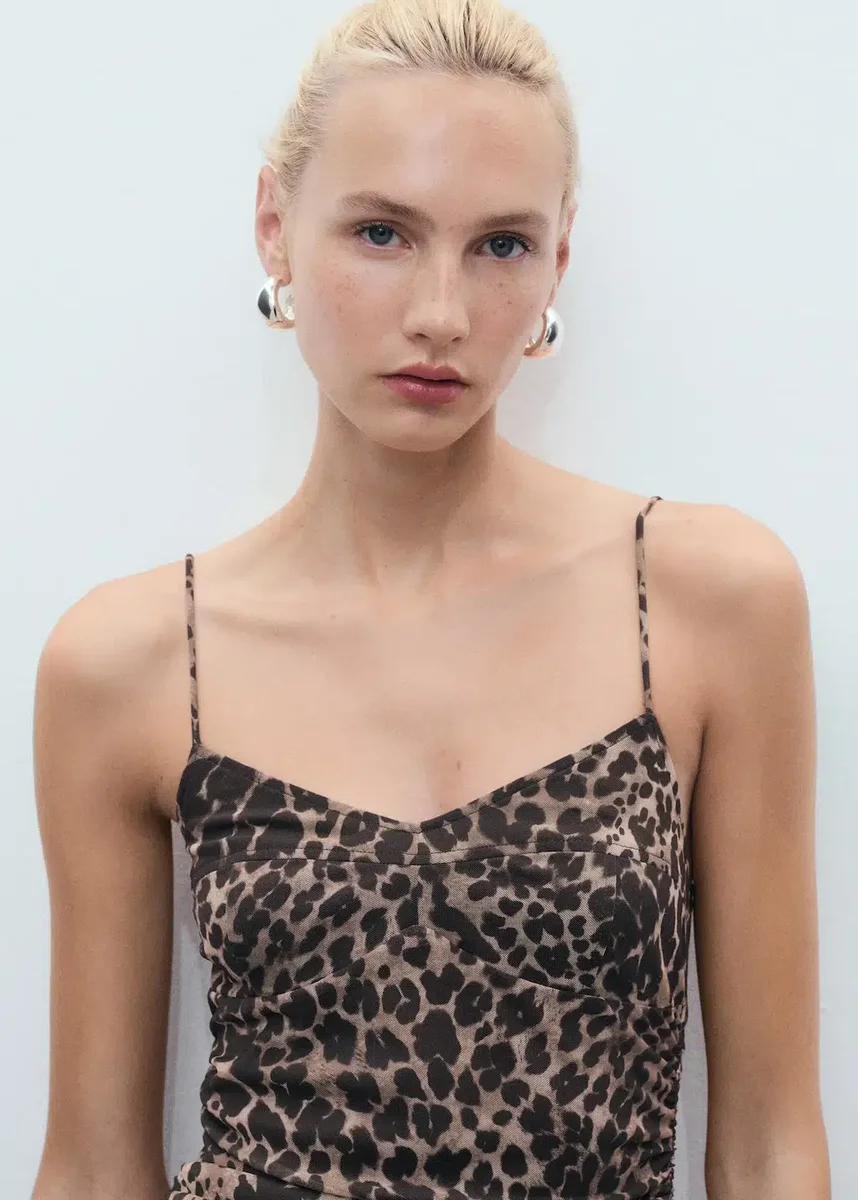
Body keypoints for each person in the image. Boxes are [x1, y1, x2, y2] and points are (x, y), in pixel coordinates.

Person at [31, 1, 830, 1198]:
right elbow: (94, 1168)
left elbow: (772, 1147)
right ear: (274, 229)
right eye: (382, 233)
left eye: (500, 245)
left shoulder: (709, 604)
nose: (441, 313)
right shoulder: (132, 662)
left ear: (559, 258)